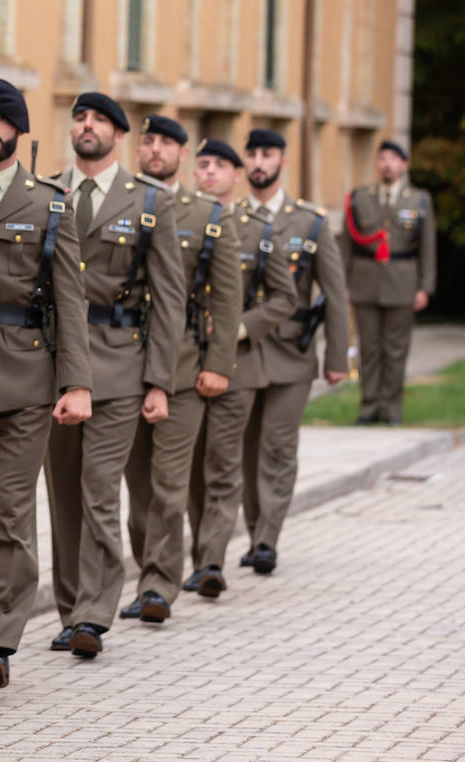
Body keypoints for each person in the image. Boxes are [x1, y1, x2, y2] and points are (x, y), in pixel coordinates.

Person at [0, 78, 91, 697]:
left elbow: (70, 301)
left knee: (13, 512)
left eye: (0, 118)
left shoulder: (50, 203)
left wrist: (76, 382)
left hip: (27, 375)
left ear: (19, 131)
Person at [47, 92, 184, 660]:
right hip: (53, 362)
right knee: (63, 495)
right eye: (80, 117)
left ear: (118, 136)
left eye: (100, 120)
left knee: (100, 488)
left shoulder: (148, 202)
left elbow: (170, 298)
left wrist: (160, 381)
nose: (87, 126)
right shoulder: (48, 193)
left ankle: (93, 613)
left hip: (120, 361)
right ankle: (67, 607)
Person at [121, 116, 242, 624]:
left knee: (170, 485)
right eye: (147, 140)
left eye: (166, 142)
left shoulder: (208, 215)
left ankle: (157, 585)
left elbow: (229, 297)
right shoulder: (121, 202)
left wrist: (219, 364)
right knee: (137, 490)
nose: (154, 149)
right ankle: (148, 569)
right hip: (125, 363)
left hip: (184, 367)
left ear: (183, 154)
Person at [233, 128, 350, 576]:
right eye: (254, 154)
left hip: (292, 353)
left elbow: (335, 294)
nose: (260, 161)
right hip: (244, 351)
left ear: (282, 159)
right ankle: (253, 529)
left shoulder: (310, 222)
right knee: (245, 449)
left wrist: (338, 358)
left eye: (268, 154)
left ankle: (267, 539)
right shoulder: (231, 217)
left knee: (278, 446)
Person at [186, 139, 296, 594]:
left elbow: (285, 298)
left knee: (223, 463)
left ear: (237, 174)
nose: (210, 173)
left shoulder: (257, 229)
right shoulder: (182, 217)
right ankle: (198, 552)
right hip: (187, 361)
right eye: (203, 164)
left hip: (239, 365)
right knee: (189, 467)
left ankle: (211, 562)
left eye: (220, 166)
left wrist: (238, 329)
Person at [340, 139, 436, 425]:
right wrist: (343, 284)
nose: (387, 164)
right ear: (377, 164)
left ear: (404, 165)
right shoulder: (359, 198)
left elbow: (428, 247)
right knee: (368, 348)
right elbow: (346, 245)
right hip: (365, 279)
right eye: (382, 159)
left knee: (396, 348)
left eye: (393, 159)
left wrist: (425, 287)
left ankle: (392, 407)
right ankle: (369, 406)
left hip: (402, 281)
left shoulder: (418, 199)